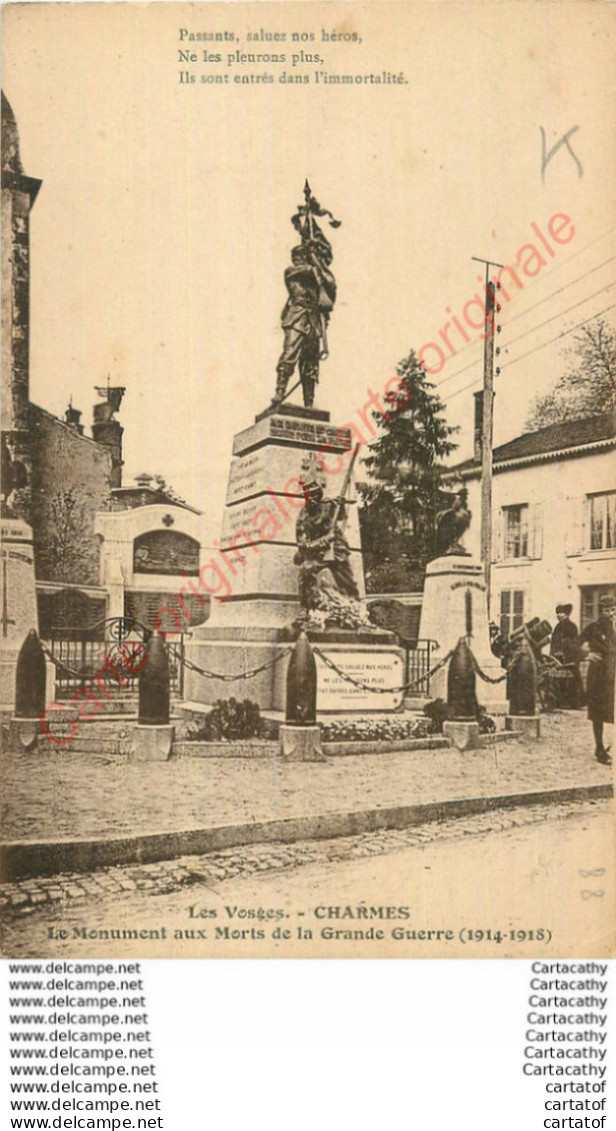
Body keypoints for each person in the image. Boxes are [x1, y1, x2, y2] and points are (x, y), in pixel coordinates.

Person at [274, 243, 336, 409]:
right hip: (296, 316)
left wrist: (318, 268)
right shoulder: (291, 271)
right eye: (297, 258)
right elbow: (304, 271)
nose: (298, 260)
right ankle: (279, 391)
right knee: (290, 353)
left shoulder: (314, 275)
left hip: (313, 319)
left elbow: (327, 287)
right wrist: (315, 263)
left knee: (310, 362)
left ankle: (308, 401)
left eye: (302, 257)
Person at [294, 479, 359, 611]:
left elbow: (341, 517)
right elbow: (302, 544)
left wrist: (340, 505)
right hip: (317, 551)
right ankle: (307, 609)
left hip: (336, 549)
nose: (311, 499)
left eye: (314, 496)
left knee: (346, 580)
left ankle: (356, 607)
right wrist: (321, 542)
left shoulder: (329, 505)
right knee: (305, 572)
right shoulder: (303, 515)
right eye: (308, 496)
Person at [579, 593, 616, 765]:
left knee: (609, 713)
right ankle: (599, 749)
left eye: (613, 609)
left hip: (612, 675)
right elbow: (570, 643)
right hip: (598, 677)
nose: (611, 613)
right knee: (598, 714)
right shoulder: (593, 628)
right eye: (607, 610)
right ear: (601, 611)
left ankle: (606, 746)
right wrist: (586, 654)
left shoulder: (614, 628)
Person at [550, 602, 581, 708]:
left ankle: (572, 703)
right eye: (558, 613)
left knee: (570, 680)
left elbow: (575, 643)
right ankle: (559, 701)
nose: (559, 615)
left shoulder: (572, 627)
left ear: (567, 614)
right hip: (557, 658)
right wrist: (553, 654)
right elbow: (553, 642)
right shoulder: (557, 627)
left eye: (561, 613)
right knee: (558, 680)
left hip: (569, 658)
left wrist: (564, 650)